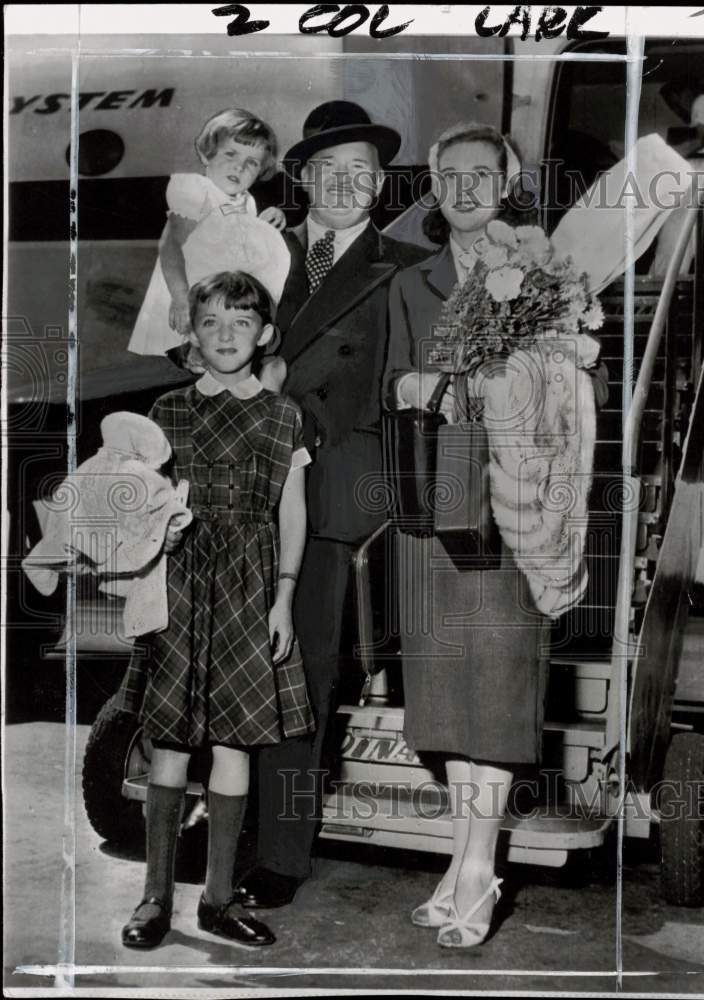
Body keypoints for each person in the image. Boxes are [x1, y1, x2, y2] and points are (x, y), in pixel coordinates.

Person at [383, 121, 608, 949]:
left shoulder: (552, 272)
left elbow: (593, 376)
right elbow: (390, 383)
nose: (466, 188)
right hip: (436, 506)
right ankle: (463, 855)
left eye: (483, 174)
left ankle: (478, 869)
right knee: (443, 698)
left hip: (521, 506)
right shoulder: (412, 282)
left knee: (501, 689)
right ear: (434, 190)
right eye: (452, 176)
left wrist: (537, 376)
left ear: (507, 182)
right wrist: (427, 384)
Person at [232, 101, 429, 910]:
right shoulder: (257, 251)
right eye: (329, 171)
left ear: (380, 184)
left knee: (298, 675)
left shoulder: (407, 264)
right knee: (228, 663)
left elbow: (400, 388)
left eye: (362, 172)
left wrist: (295, 416)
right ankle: (223, 831)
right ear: (302, 178)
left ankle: (279, 851)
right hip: (235, 483)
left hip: (327, 490)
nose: (346, 185)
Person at [120, 271, 314, 949]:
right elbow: (146, 500)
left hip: (250, 587)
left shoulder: (285, 414)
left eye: (240, 322)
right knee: (170, 743)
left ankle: (219, 899)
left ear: (263, 334)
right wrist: (158, 531)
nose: (226, 335)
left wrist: (283, 598)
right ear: (192, 337)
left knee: (235, 743)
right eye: (211, 323)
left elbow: (292, 510)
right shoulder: (167, 411)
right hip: (180, 586)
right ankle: (153, 898)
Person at [126, 108, 290, 390]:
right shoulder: (194, 188)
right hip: (186, 297)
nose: (239, 167)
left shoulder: (246, 202)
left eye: (251, 162)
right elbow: (171, 246)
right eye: (230, 155)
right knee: (200, 365)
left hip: (219, 302)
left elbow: (244, 247)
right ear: (207, 154)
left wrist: (271, 219)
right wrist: (179, 299)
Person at [649, 80, 704, 278]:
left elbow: (699, 139)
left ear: (688, 91)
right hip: (699, 176)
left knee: (674, 235)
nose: (676, 108)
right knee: (679, 238)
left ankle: (662, 283)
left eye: (675, 101)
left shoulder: (703, 101)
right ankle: (664, 280)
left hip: (695, 176)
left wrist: (662, 155)